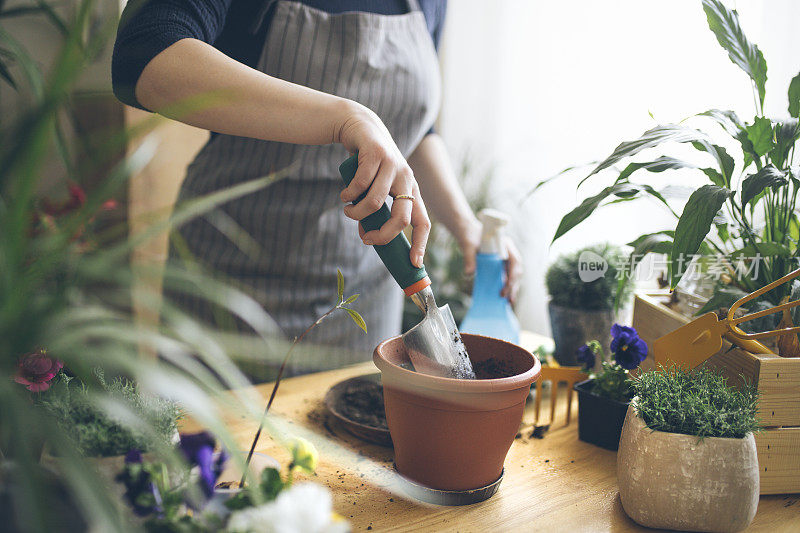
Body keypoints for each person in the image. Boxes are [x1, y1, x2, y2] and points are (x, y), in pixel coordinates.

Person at [112, 0, 521, 372]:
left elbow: (412, 129)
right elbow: (146, 54)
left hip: (361, 306)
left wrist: (464, 223)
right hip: (231, 293)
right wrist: (343, 118)